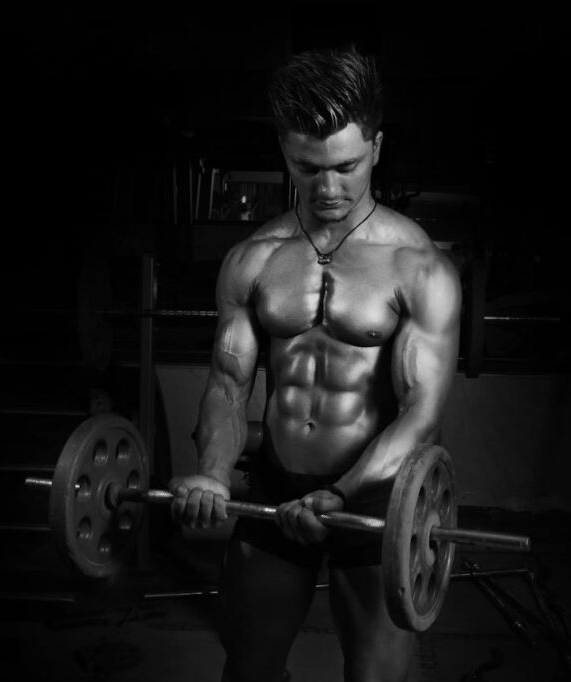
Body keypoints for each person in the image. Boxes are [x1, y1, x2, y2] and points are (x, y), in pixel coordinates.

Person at [170, 47, 461, 682]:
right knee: (248, 670)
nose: (328, 189)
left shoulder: (418, 266)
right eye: (308, 168)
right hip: (276, 490)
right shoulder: (254, 258)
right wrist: (214, 474)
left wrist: (341, 493)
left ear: (376, 148)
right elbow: (228, 385)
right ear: (285, 152)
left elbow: (421, 414)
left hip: (376, 503)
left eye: (346, 167)